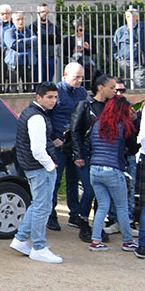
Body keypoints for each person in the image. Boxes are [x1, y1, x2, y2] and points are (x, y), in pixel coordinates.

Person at [9, 81, 63, 263]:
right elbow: (38, 150)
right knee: (42, 207)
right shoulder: (37, 117)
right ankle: (38, 247)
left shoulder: (32, 113)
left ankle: (20, 239)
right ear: (38, 97)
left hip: (35, 167)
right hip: (39, 168)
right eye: (49, 97)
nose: (53, 101)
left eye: (55, 97)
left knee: (38, 205)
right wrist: (50, 165)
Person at [86, 96, 139, 252]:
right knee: (122, 206)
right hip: (113, 169)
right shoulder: (124, 126)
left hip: (94, 169)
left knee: (102, 206)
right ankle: (128, 241)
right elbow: (133, 148)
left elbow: (91, 145)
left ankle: (96, 241)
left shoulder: (96, 124)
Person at [69, 73, 118, 241]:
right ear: (101, 88)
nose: (115, 91)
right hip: (86, 153)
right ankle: (83, 221)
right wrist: (78, 155)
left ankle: (97, 224)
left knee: (102, 192)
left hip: (104, 154)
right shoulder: (85, 105)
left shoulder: (111, 107)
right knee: (89, 189)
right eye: (112, 87)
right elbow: (75, 131)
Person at [48, 62, 88, 231]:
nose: (79, 80)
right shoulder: (55, 91)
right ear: (65, 75)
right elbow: (45, 116)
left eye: (81, 77)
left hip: (75, 143)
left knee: (73, 180)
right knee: (55, 181)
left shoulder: (82, 92)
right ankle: (51, 215)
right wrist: (53, 138)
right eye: (76, 77)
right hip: (58, 143)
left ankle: (74, 214)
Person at [4, 11, 37, 93]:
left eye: (22, 19)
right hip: (14, 64)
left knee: (29, 88)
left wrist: (20, 41)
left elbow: (35, 41)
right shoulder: (9, 32)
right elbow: (13, 44)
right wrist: (29, 42)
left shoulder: (29, 31)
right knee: (13, 89)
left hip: (28, 63)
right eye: (18, 19)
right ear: (13, 21)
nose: (21, 21)